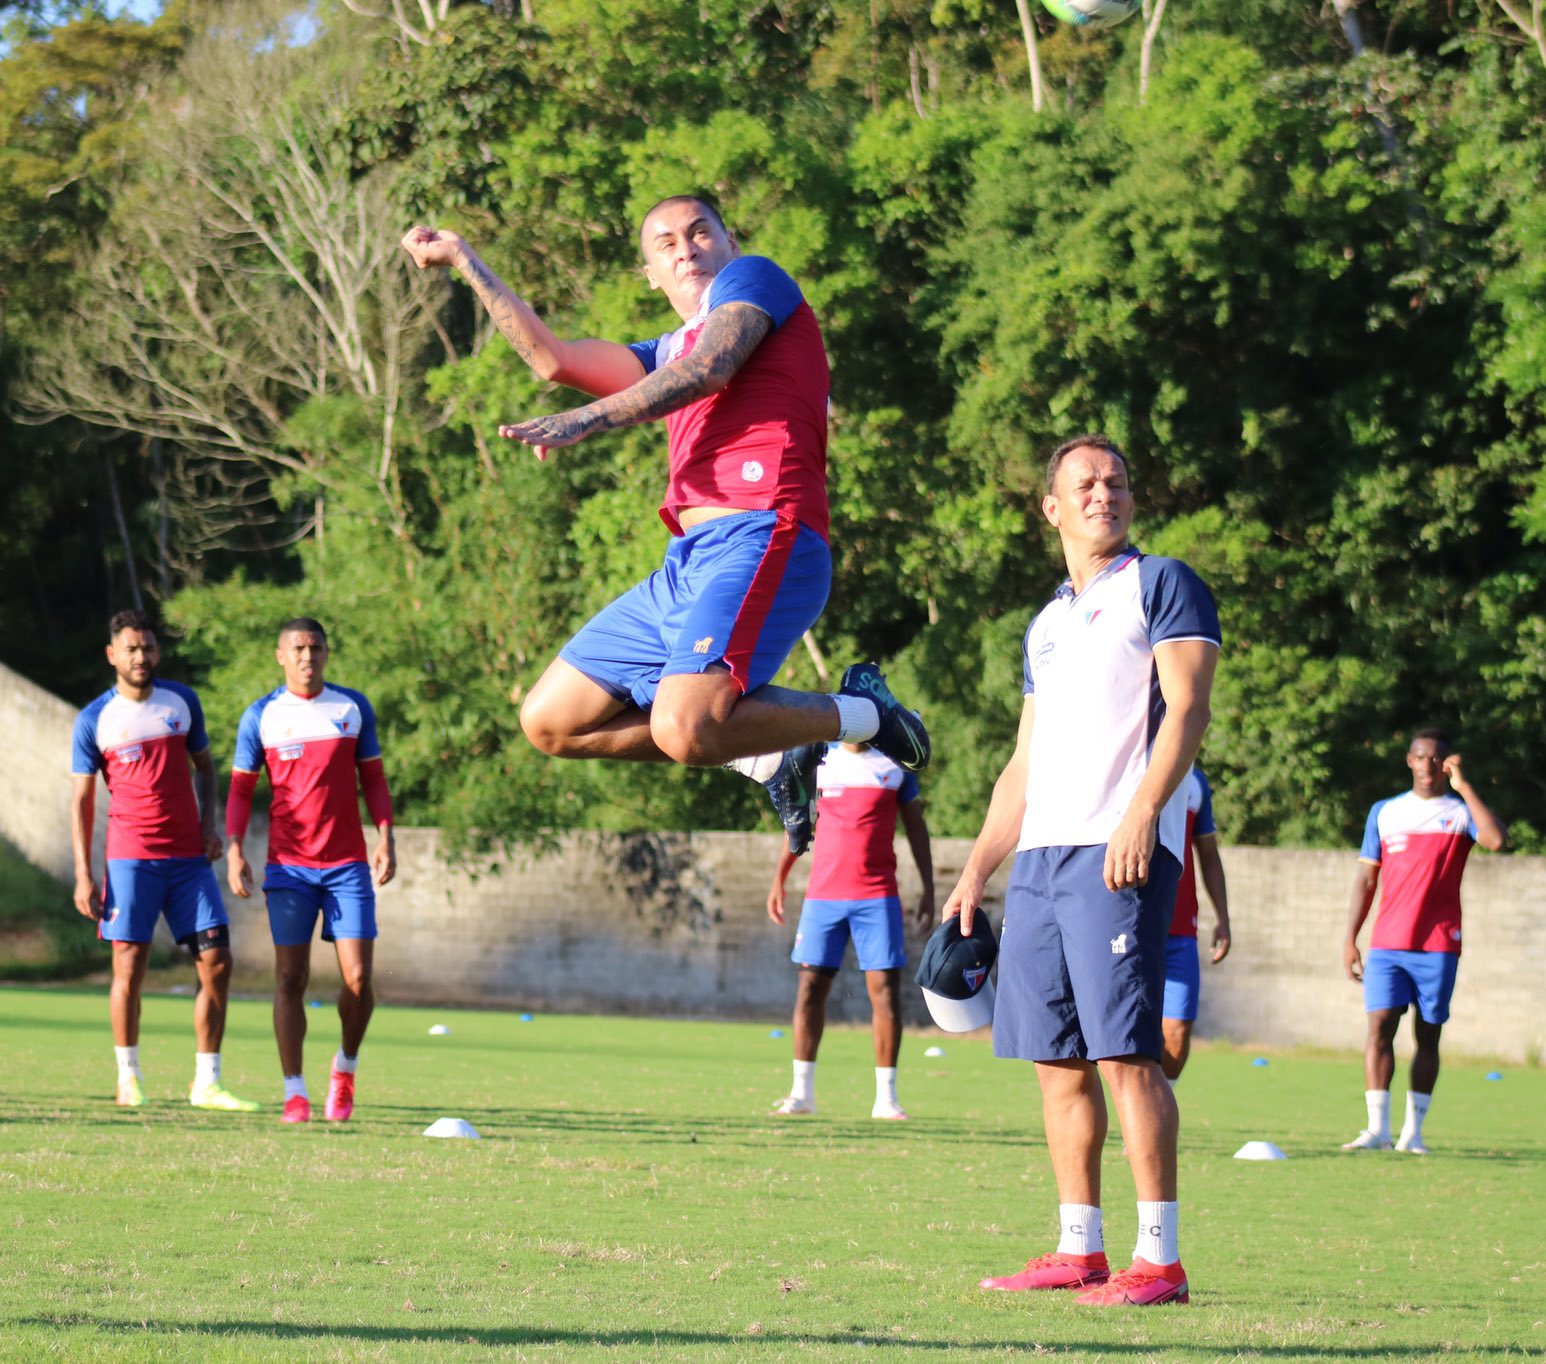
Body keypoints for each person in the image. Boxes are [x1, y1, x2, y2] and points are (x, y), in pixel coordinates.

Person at [399, 198, 927, 853]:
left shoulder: (756, 280)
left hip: (767, 535)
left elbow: (711, 369)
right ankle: (768, 754)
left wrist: (585, 419)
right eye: (667, 244)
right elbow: (552, 360)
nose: (686, 249)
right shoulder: (665, 351)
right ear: (650, 273)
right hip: (687, 563)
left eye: (700, 232)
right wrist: (462, 258)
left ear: (730, 244)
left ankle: (866, 714)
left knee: (686, 730)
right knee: (551, 722)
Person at [941, 435, 1219, 1307]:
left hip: (1117, 851)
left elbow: (1189, 706)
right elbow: (1023, 762)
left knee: (1125, 1054)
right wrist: (976, 869)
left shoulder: (1161, 583)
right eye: (1086, 483)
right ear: (1052, 507)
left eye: (1117, 482)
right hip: (1039, 861)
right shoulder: (1047, 625)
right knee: (1056, 1062)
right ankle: (1078, 1249)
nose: (1105, 493)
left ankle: (1160, 1262)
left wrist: (1142, 813)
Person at [71, 610, 256, 1112]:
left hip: (188, 861)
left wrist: (208, 826)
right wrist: (84, 874)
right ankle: (128, 1078)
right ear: (112, 655)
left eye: (148, 647)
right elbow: (82, 802)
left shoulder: (182, 702)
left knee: (217, 960)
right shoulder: (94, 720)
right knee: (130, 965)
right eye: (131, 648)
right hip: (131, 860)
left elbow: (206, 769)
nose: (141, 657)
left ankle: (207, 1083)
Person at [224, 619, 399, 1126]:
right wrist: (234, 849)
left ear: (326, 653)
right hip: (289, 869)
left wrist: (385, 836)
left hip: (347, 866)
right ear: (280, 655)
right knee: (289, 977)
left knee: (359, 979)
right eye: (298, 648)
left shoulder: (352, 708)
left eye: (316, 647)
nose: (307, 656)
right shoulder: (261, 715)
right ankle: (294, 1092)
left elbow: (374, 780)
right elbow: (240, 790)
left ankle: (345, 1068)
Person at [1341, 729, 1507, 1154]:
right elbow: (1366, 879)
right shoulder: (1386, 812)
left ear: (1447, 764)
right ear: (1409, 761)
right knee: (1379, 1028)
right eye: (1420, 757)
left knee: (1428, 1035)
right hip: (1387, 944)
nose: (1427, 765)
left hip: (1438, 944)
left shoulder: (1460, 812)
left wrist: (1464, 785)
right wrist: (1350, 938)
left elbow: (1495, 840)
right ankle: (1377, 1130)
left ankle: (1413, 1133)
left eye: (1437, 759)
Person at [766, 743, 935, 1120]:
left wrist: (929, 889)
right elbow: (797, 820)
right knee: (809, 989)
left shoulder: (896, 763)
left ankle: (886, 1099)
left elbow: (916, 827)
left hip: (877, 897)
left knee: (885, 992)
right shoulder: (818, 759)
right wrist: (779, 879)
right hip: (822, 897)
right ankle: (801, 1093)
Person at [1158, 766, 1230, 1083]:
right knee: (1122, 1031)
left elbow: (1209, 855)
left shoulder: (1195, 781)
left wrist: (1223, 918)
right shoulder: (1123, 764)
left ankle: (1158, 1108)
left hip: (1180, 929)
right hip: (1127, 927)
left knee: (1177, 1033)